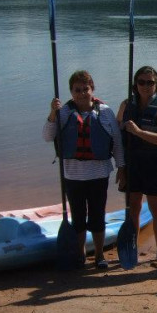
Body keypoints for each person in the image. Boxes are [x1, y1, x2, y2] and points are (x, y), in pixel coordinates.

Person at [42, 70, 125, 269]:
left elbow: (117, 143)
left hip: (98, 174)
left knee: (97, 216)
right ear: (71, 92)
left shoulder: (105, 112)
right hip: (72, 175)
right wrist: (52, 112)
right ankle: (79, 254)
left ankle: (98, 255)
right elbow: (47, 136)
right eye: (77, 90)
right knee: (78, 217)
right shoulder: (63, 113)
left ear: (92, 89)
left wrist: (121, 167)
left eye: (85, 89)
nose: (81, 93)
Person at [116, 66, 157, 265]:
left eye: (151, 82)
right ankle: (132, 246)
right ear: (135, 84)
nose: (146, 86)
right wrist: (120, 168)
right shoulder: (126, 105)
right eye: (142, 82)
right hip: (133, 163)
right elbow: (117, 136)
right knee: (133, 206)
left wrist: (139, 132)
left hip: (154, 163)